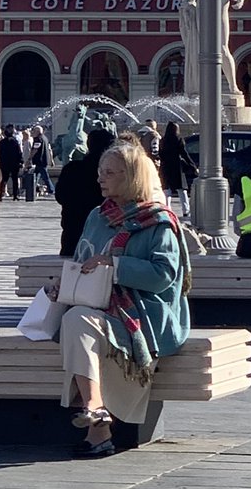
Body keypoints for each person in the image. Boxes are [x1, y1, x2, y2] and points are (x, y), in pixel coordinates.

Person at [56, 140, 191, 459]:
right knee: (75, 319)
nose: (100, 178)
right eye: (100, 172)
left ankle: (95, 417)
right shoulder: (97, 216)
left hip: (145, 314)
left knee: (77, 323)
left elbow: (163, 276)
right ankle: (97, 416)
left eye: (110, 173)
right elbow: (83, 257)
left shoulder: (158, 221)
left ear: (131, 177)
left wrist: (114, 266)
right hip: (101, 308)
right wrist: (62, 285)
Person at [55, 127, 116, 257]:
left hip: (72, 231)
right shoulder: (112, 174)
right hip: (103, 237)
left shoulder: (71, 169)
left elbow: (60, 196)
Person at [158, 122, 198, 220]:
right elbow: (184, 154)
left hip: (165, 167)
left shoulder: (163, 140)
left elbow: (160, 154)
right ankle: (185, 211)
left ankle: (167, 210)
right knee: (182, 190)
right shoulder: (178, 140)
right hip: (176, 167)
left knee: (167, 191)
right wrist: (192, 166)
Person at [0, 125, 24, 201]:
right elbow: (19, 152)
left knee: (4, 179)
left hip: (4, 163)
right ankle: (15, 195)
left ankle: (1, 195)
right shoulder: (15, 141)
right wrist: (21, 161)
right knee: (15, 179)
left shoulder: (2, 142)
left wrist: (2, 159)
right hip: (14, 163)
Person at [28, 125, 54, 196]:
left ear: (37, 132)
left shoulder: (38, 139)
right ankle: (32, 188)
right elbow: (49, 149)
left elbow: (35, 150)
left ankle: (51, 190)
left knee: (45, 177)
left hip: (40, 160)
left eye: (34, 131)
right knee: (36, 175)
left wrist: (29, 158)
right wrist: (51, 160)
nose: (33, 132)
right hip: (44, 160)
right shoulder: (45, 138)